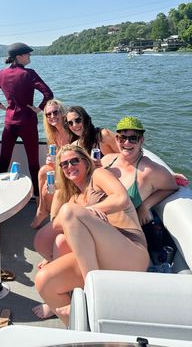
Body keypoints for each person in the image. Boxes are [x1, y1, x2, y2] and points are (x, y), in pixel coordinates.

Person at [34, 144, 150, 326]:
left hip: (131, 253)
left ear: (86, 163)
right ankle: (80, 331)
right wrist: (80, 213)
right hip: (103, 259)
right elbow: (56, 225)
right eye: (64, 165)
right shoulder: (74, 199)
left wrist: (87, 211)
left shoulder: (97, 175)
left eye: (74, 161)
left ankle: (91, 294)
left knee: (69, 213)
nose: (69, 166)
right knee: (44, 280)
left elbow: (121, 198)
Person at [0, 42, 53, 196]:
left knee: (3, 160)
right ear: (19, 56)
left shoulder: (2, 74)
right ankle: (38, 196)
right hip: (27, 122)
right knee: (33, 163)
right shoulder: (29, 74)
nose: (30, 56)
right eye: (28, 54)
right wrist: (39, 108)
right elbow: (48, 94)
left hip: (9, 123)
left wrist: (3, 107)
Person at [101, 116, 179, 225]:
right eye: (122, 138)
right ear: (116, 139)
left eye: (133, 138)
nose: (127, 143)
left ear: (141, 140)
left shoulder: (150, 171)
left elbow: (171, 188)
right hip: (97, 221)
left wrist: (145, 205)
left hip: (121, 231)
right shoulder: (106, 160)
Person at [31, 99, 70, 228]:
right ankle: (42, 209)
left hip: (71, 169)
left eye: (55, 112)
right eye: (48, 114)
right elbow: (55, 157)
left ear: (62, 113)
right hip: (61, 167)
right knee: (42, 171)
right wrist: (49, 159)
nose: (52, 116)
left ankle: (51, 217)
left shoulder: (71, 131)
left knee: (47, 188)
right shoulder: (54, 134)